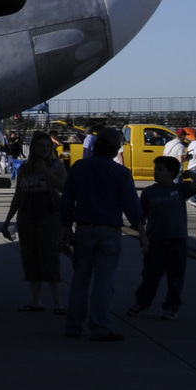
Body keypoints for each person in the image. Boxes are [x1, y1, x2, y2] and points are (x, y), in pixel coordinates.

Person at [60, 127, 144, 341]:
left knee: (80, 280)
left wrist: (65, 227)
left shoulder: (79, 168)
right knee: (104, 282)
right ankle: (100, 327)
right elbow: (132, 206)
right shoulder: (121, 173)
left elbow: (67, 199)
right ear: (116, 149)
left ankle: (73, 326)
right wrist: (142, 232)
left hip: (84, 229)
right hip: (109, 231)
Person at [1, 130, 66, 313]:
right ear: (33, 149)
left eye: (47, 146)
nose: (44, 149)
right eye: (40, 146)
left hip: (50, 215)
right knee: (30, 257)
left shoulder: (57, 166)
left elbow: (65, 188)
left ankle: (58, 302)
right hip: (27, 216)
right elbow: (18, 195)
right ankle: (36, 300)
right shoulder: (24, 169)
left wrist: (46, 173)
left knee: (51, 257)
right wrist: (7, 220)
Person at [128, 157, 196, 321]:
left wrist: (189, 173)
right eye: (156, 169)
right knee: (151, 274)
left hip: (177, 239)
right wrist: (143, 237)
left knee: (176, 276)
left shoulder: (180, 189)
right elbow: (140, 217)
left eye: (160, 169)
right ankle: (143, 303)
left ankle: (172, 307)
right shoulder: (149, 192)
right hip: (156, 240)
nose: (156, 172)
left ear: (172, 173)